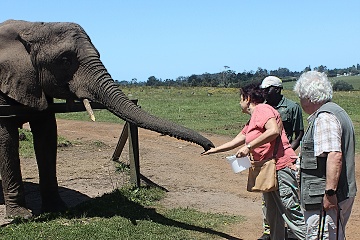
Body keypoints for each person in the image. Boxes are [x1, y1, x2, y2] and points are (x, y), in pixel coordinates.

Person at [202, 82, 306, 239]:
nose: (239, 103)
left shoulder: (263, 109)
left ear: (247, 98)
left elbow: (273, 131)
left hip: (281, 167)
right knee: (273, 216)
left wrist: (248, 147)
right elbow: (237, 140)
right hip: (269, 171)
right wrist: (214, 150)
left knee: (290, 212)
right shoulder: (253, 119)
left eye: (240, 98)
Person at [294, 71, 356, 239]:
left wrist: (329, 194)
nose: (300, 102)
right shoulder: (336, 111)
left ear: (310, 98)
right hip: (336, 194)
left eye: (301, 97)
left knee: (322, 235)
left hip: (324, 199)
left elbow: (335, 156)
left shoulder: (324, 117)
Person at [258, 76, 305, 240]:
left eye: (267, 89)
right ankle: (268, 230)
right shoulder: (262, 108)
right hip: (267, 159)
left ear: (277, 89)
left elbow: (299, 133)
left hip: (285, 158)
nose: (264, 92)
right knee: (267, 196)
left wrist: (287, 152)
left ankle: (295, 232)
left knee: (288, 197)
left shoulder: (292, 107)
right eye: (263, 89)